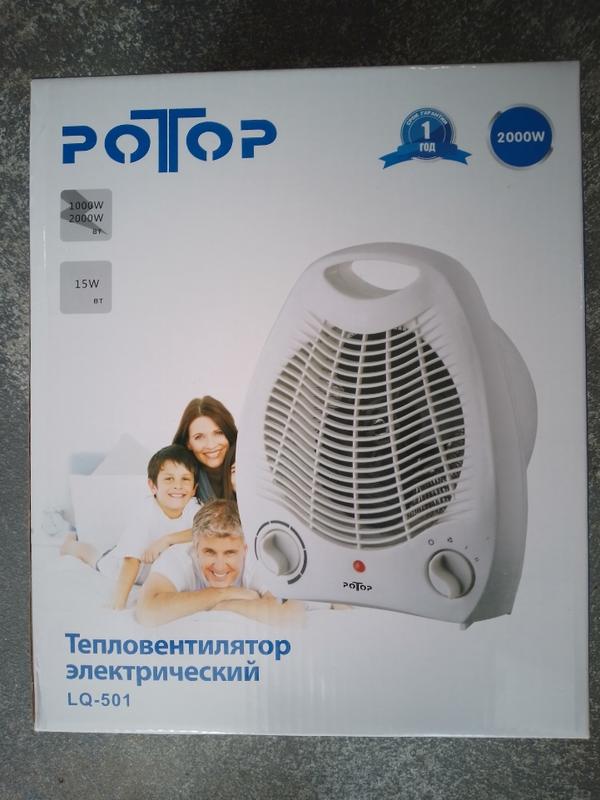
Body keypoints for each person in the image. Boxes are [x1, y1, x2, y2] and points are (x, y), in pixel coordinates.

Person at [61, 445, 200, 610]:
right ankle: (70, 543)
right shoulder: (146, 511)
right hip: (123, 565)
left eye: (185, 479)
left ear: (194, 489)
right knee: (93, 556)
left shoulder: (193, 507)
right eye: (169, 479)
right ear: (153, 486)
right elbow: (130, 560)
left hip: (153, 573)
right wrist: (119, 604)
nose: (178, 485)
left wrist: (167, 540)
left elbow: (204, 532)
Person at [135, 499, 303, 627]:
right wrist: (224, 593)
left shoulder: (259, 559)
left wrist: (225, 606)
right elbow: (147, 612)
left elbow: (292, 613)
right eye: (210, 552)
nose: (220, 566)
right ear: (196, 547)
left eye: (230, 553)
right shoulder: (178, 557)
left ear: (245, 549)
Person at [173, 396, 237, 502]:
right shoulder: (180, 482)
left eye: (219, 433)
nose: (211, 445)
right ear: (188, 443)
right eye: (199, 437)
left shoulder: (251, 465)